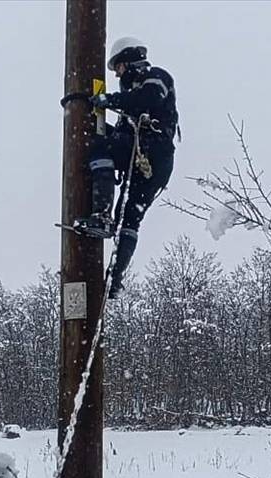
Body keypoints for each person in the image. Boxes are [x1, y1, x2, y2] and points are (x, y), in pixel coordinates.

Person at [76, 36, 179, 299]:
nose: (119, 74)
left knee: (102, 149)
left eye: (119, 68)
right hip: (149, 156)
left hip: (152, 150)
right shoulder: (131, 103)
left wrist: (107, 100)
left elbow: (148, 100)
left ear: (130, 61)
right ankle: (115, 278)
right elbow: (122, 127)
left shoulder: (156, 77)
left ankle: (101, 214)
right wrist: (85, 112)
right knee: (130, 217)